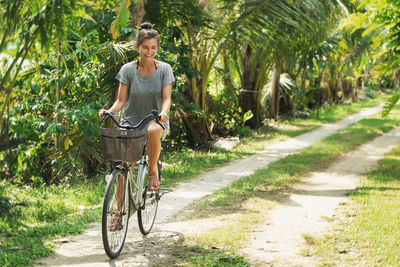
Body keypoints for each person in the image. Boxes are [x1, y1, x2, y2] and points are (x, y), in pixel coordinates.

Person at [99, 22, 174, 191]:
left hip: (155, 119)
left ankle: (152, 171)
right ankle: (119, 213)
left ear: (157, 48)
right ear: (138, 47)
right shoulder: (127, 70)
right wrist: (109, 111)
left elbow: (167, 98)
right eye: (145, 47)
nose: (149, 52)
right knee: (124, 168)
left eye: (153, 48)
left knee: (153, 130)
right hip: (130, 122)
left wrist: (163, 112)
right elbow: (120, 101)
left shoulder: (165, 69)